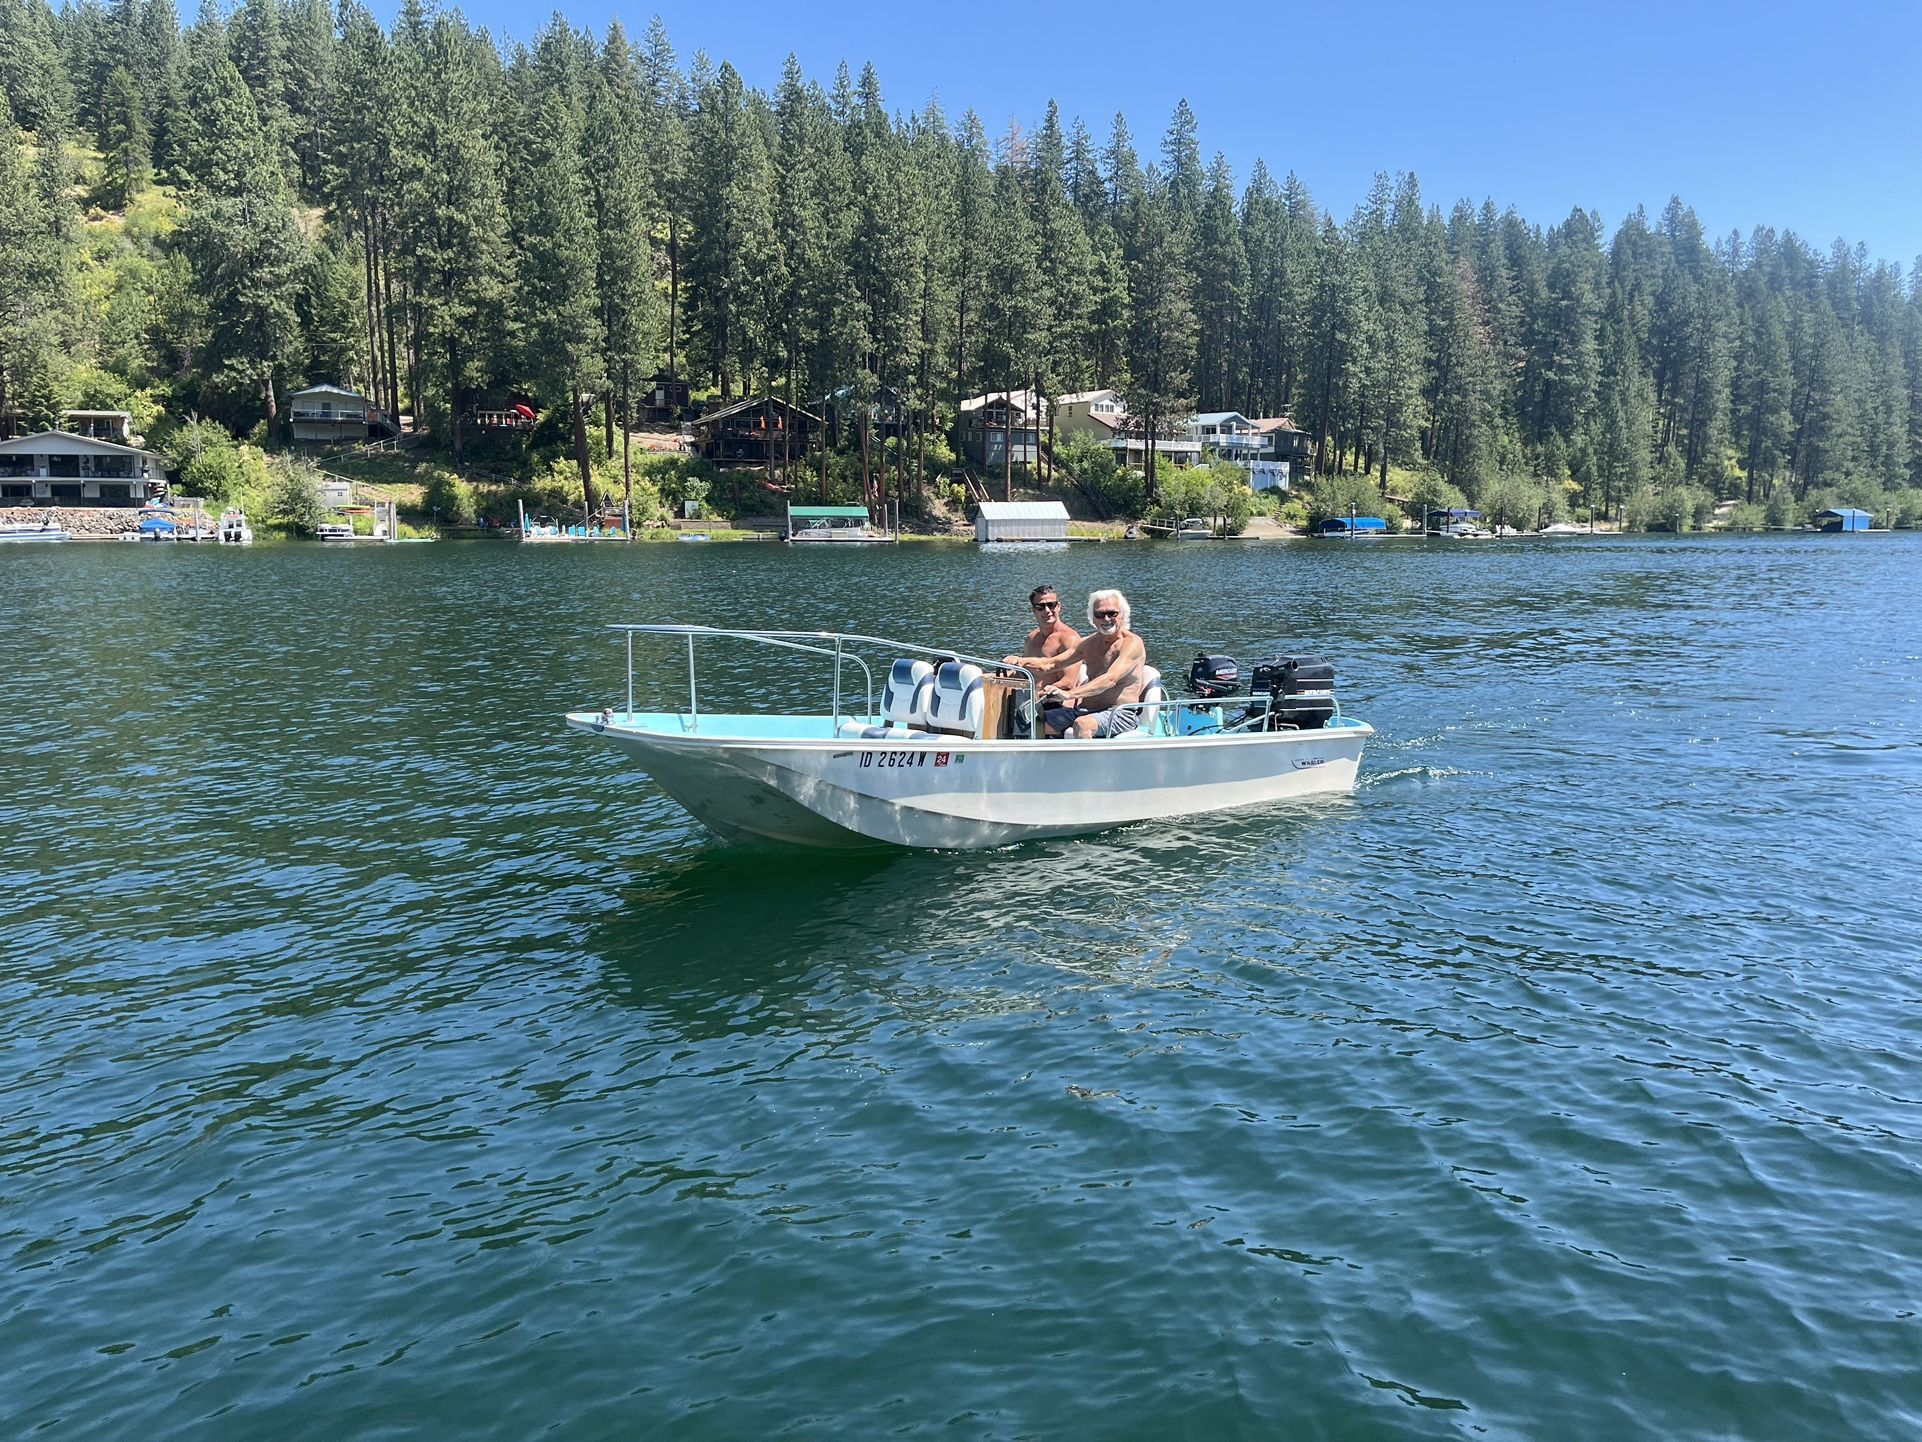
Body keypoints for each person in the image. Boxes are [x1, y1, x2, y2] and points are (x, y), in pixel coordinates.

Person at [1009, 588, 1147, 738]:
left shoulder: (1132, 643)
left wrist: (1069, 694)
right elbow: (1051, 664)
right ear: (1093, 618)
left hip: (1119, 714)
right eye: (1100, 614)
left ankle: (1086, 762)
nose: (1106, 619)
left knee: (1083, 724)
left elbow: (1110, 679)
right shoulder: (1088, 643)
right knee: (1031, 720)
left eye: (1112, 613)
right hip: (1084, 710)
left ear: (1122, 615)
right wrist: (1020, 661)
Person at [1004, 584, 1082, 686]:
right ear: (1034, 610)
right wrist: (990, 677)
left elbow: (1067, 683)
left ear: (1058, 607)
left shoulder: (1070, 639)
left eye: (1051, 605)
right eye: (1040, 607)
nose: (1047, 611)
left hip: (1054, 700)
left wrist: (1038, 696)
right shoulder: (1031, 638)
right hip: (1030, 697)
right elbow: (1022, 675)